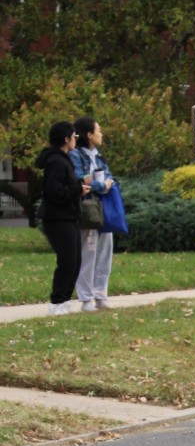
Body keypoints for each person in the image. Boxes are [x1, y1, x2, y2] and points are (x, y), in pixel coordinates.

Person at [34, 121, 89, 316]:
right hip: (57, 218)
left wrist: (79, 185)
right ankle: (57, 302)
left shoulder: (63, 159)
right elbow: (54, 191)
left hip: (68, 216)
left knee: (75, 260)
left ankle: (65, 300)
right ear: (66, 139)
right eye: (74, 137)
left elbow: (65, 186)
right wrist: (77, 189)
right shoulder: (56, 161)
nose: (76, 140)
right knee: (67, 260)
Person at [71, 116, 116, 310]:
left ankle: (101, 295)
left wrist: (102, 183)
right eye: (98, 130)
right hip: (87, 209)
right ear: (89, 134)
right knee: (88, 252)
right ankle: (86, 298)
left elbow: (110, 177)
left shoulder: (98, 156)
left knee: (105, 252)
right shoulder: (76, 156)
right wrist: (102, 185)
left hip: (103, 208)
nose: (101, 134)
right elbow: (81, 180)